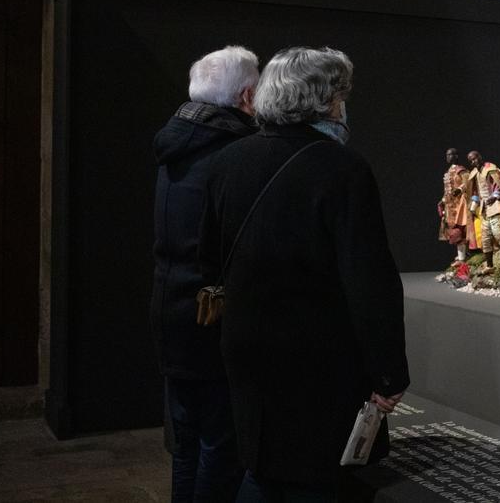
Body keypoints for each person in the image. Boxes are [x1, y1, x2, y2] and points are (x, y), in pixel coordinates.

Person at [200, 46, 409, 501]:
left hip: (245, 345)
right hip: (318, 359)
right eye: (339, 95)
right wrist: (389, 373)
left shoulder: (227, 163)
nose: (343, 106)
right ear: (323, 101)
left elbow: (208, 255)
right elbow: (369, 280)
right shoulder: (342, 169)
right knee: (322, 480)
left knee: (261, 467)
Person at [152, 45, 259, 502]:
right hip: (209, 315)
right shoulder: (235, 151)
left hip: (170, 308)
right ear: (247, 96)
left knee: (187, 442)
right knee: (219, 442)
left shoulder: (178, 140)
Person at [463, 150, 500, 270]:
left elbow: (498, 186)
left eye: (475, 158)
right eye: (471, 161)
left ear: (480, 157)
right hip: (483, 209)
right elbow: (475, 192)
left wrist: (494, 196)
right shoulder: (474, 173)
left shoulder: (490, 169)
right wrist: (473, 206)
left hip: (495, 206)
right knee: (485, 238)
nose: (474, 162)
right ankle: (489, 265)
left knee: (498, 233)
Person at [438, 147, 471, 263]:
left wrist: (460, 189)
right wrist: (442, 200)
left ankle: (464, 257)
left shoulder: (462, 170)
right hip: (450, 206)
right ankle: (461, 256)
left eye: (451, 155)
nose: (449, 157)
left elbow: (468, 183)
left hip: (460, 204)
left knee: (461, 229)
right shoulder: (447, 173)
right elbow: (447, 190)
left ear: (456, 156)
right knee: (453, 231)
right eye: (447, 155)